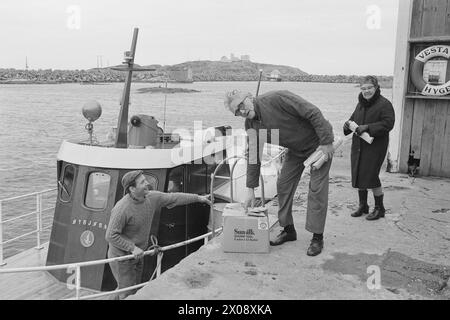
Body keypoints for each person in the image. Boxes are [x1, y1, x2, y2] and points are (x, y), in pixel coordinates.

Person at [224, 89, 335, 256]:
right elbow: (254, 157)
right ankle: (288, 229)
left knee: (316, 189)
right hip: (296, 150)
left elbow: (313, 112)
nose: (242, 111)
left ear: (249, 97)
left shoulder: (278, 98)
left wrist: (326, 141)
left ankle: (317, 237)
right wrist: (250, 190)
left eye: (241, 104)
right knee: (283, 185)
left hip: (318, 145)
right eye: (237, 111)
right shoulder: (251, 125)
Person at [105, 170, 211, 299]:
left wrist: (198, 198)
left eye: (145, 180)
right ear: (132, 188)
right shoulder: (122, 208)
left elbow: (174, 198)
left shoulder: (151, 198)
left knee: (132, 288)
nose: (147, 184)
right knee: (127, 291)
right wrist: (132, 248)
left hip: (138, 254)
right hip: (122, 257)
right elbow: (111, 235)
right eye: (142, 182)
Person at [343, 75, 395, 220]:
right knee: (360, 173)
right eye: (363, 88)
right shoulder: (360, 104)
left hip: (375, 146)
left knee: (371, 176)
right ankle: (363, 205)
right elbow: (352, 119)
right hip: (358, 145)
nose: (366, 91)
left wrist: (368, 127)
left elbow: (388, 124)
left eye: (369, 88)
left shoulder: (384, 104)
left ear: (377, 87)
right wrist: (347, 125)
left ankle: (380, 208)